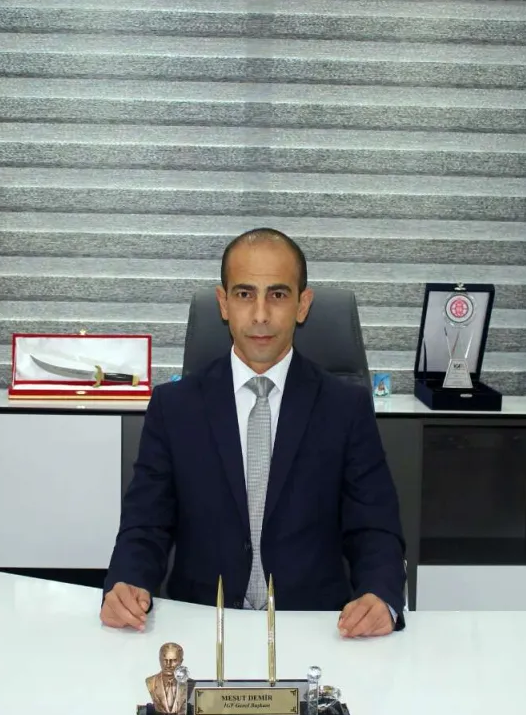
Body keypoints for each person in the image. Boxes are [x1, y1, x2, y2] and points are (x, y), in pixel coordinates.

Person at [100, 228, 406, 638]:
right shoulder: (175, 407)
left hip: (316, 630)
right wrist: (127, 582)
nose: (261, 315)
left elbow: (375, 528)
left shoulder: (344, 407)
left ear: (302, 305)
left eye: (277, 294)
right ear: (223, 303)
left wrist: (380, 595)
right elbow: (146, 524)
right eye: (245, 294)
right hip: (202, 628)